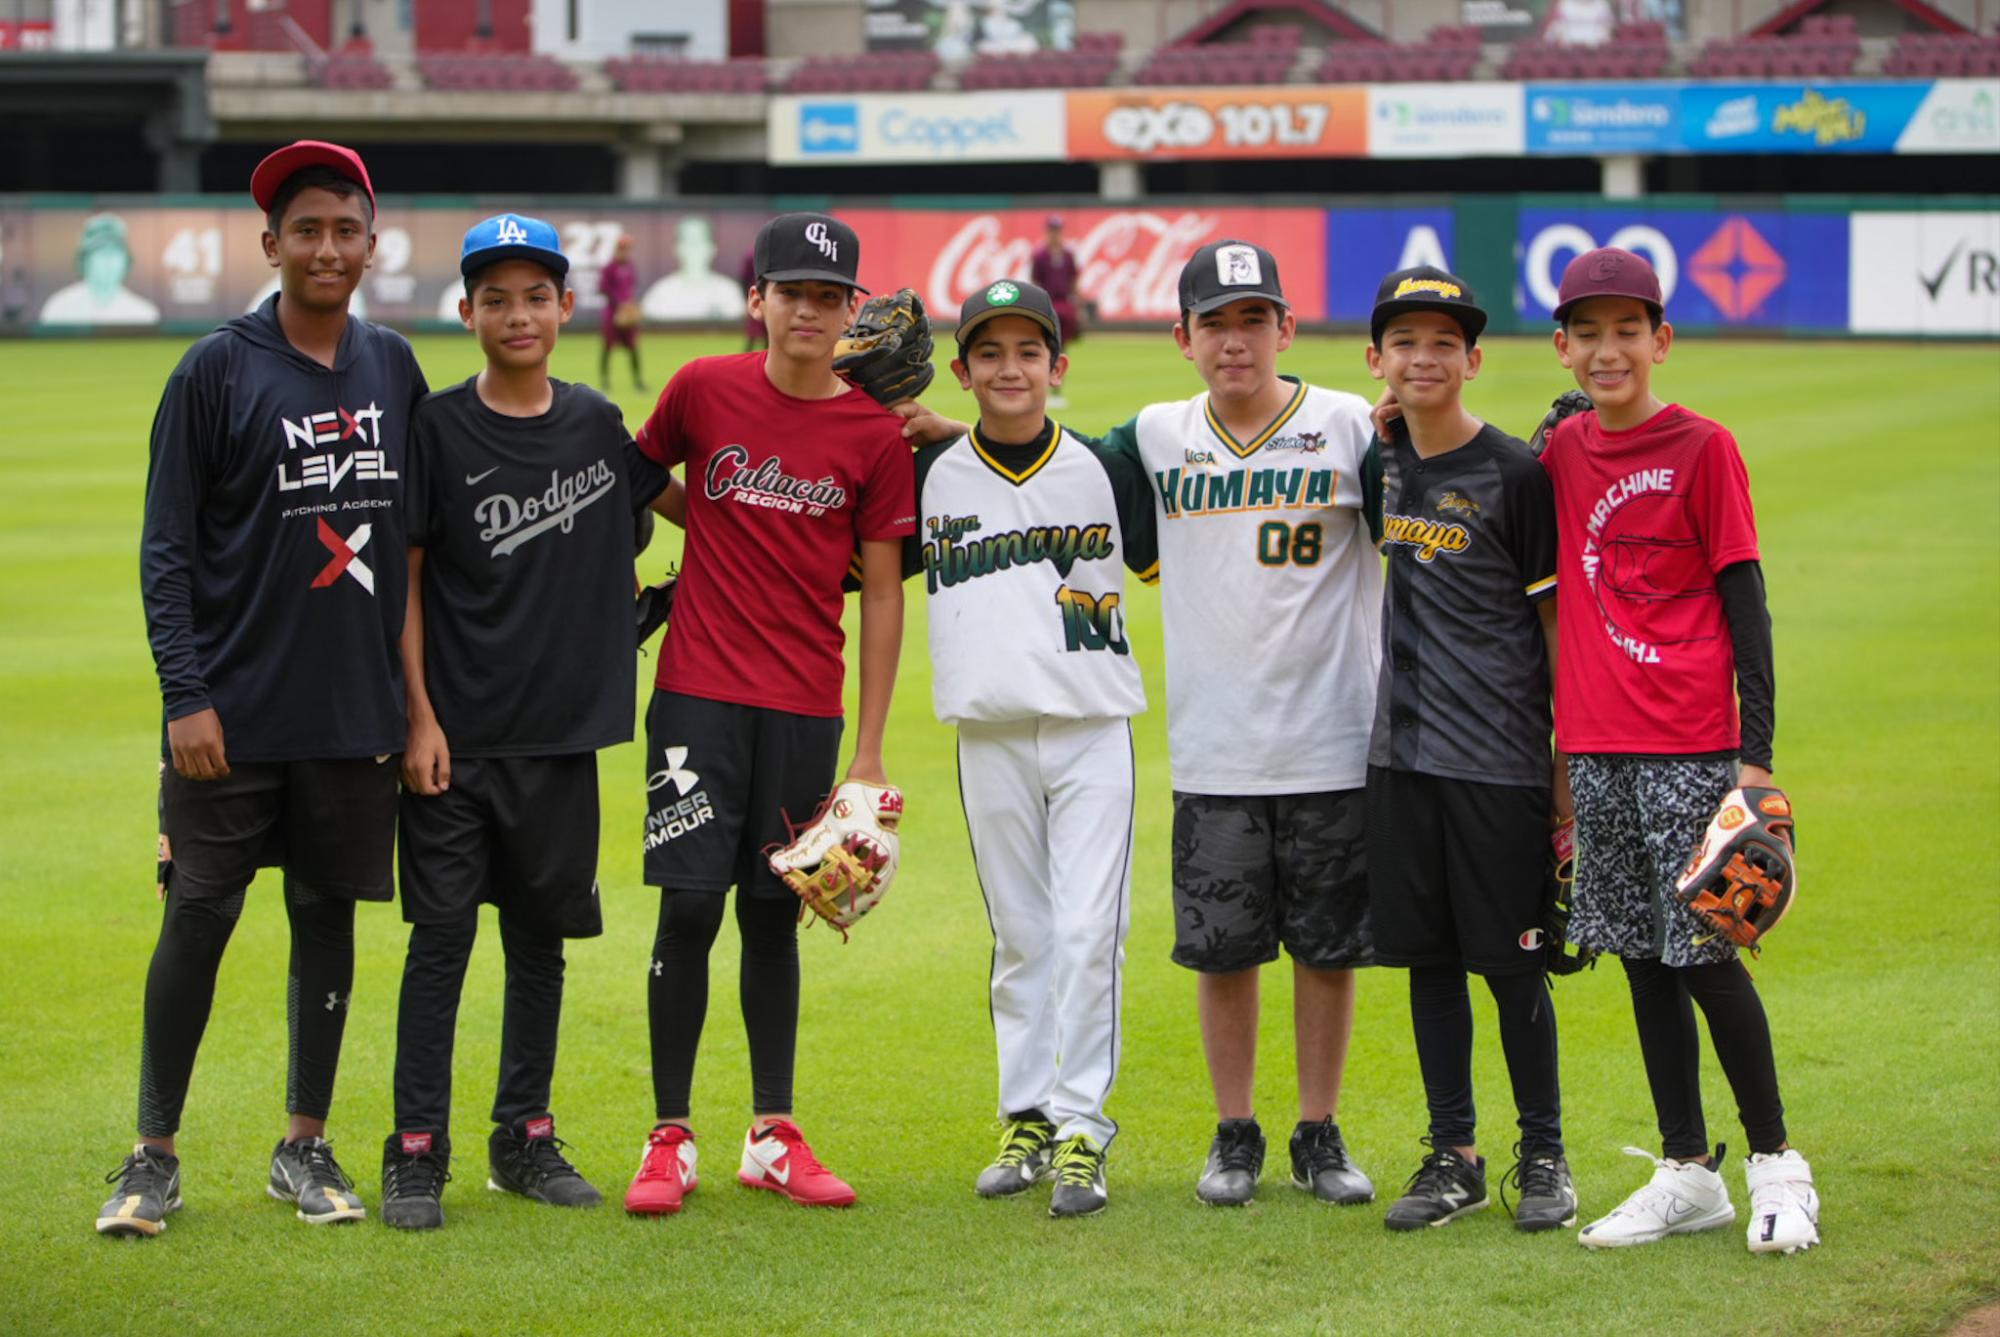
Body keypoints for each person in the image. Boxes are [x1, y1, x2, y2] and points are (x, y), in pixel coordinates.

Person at [103, 140, 427, 1238]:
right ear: (270, 245)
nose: (326, 247)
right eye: (306, 230)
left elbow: (421, 543)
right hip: (228, 715)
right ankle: (152, 1154)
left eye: (345, 229)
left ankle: (304, 1141)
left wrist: (414, 706)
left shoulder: (392, 365)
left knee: (325, 920)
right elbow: (165, 548)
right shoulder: (213, 369)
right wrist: (184, 696)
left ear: (370, 245)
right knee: (197, 918)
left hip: (349, 711)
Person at [378, 214, 681, 1229]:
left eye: (535, 295)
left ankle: (524, 1135)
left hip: (558, 738)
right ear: (464, 311)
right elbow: (407, 585)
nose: (518, 313)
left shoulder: (597, 421)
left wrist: (811, 477)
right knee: (440, 941)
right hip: (455, 738)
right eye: (495, 297)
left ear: (564, 308)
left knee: (541, 943)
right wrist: (416, 717)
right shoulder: (437, 427)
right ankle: (417, 1146)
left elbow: (694, 508)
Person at [621, 213, 914, 1215]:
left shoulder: (872, 435)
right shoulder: (703, 386)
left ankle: (770, 1132)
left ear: (849, 312)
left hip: (804, 703)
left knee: (771, 914)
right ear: (759, 299)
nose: (808, 311)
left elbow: (882, 591)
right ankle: (669, 1135)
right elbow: (638, 469)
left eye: (829, 297)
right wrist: (697, 516)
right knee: (689, 905)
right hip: (696, 691)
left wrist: (867, 749)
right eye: (791, 292)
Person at [1538, 247, 1819, 1254]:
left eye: (1628, 329)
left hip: (1691, 744)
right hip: (1599, 744)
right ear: (1561, 346)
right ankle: (1684, 1168)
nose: (1607, 348)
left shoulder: (1703, 447)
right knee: (1638, 960)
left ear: (1659, 339)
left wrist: (1756, 756)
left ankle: (1776, 1161)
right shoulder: (1560, 451)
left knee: (1703, 956)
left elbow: (1745, 601)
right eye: (1587, 331)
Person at [1103, 240, 1381, 1208]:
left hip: (1334, 741)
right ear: (1180, 337)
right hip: (1213, 747)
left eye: (1251, 318)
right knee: (1220, 952)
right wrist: (939, 428)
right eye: (1212, 322)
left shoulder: (1350, 427)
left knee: (1325, 947)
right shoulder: (1150, 435)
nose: (1233, 341)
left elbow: (1440, 510)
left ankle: (1316, 1128)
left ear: (1285, 328)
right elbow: (1034, 459)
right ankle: (1233, 1133)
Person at [912, 278, 1155, 1219]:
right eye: (989, 352)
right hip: (991, 733)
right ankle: (1027, 1115)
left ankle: (1083, 1129)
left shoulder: (1105, 467)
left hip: (1094, 726)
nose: (1009, 368)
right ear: (963, 369)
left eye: (1028, 352)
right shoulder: (931, 473)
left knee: (1093, 931)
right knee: (1023, 934)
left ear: (1058, 366)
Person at [1359, 267, 1577, 1233]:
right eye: (1405, 342)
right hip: (1401, 759)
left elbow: (1558, 631)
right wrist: (1386, 425)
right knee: (1429, 960)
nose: (1424, 357)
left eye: (1443, 343)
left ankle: (1545, 1154)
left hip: (1500, 761)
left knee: (1514, 962)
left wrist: (1563, 769)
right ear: (1378, 360)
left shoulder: (1516, 475)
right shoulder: (1383, 462)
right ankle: (1453, 1153)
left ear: (1473, 359)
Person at [38, 212, 161, 326]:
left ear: (126, 260)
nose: (108, 260)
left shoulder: (144, 313)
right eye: (101, 252)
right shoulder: (59, 307)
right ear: (84, 260)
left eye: (114, 252)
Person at [1030, 215, 1081, 408]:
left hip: (1064, 304)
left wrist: (1077, 303)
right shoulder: (1040, 255)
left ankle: (1056, 389)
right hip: (1048, 303)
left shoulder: (1067, 255)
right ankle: (1044, 389)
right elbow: (1035, 281)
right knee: (1046, 347)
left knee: (1062, 348)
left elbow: (1074, 280)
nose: (1055, 234)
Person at [598, 232, 644, 393]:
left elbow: (632, 287)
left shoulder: (630, 266)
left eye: (628, 248)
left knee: (633, 347)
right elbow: (603, 288)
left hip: (627, 312)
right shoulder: (610, 267)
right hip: (613, 313)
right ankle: (604, 382)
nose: (625, 251)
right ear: (617, 249)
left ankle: (638, 382)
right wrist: (618, 304)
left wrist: (630, 305)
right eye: (623, 248)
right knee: (607, 347)